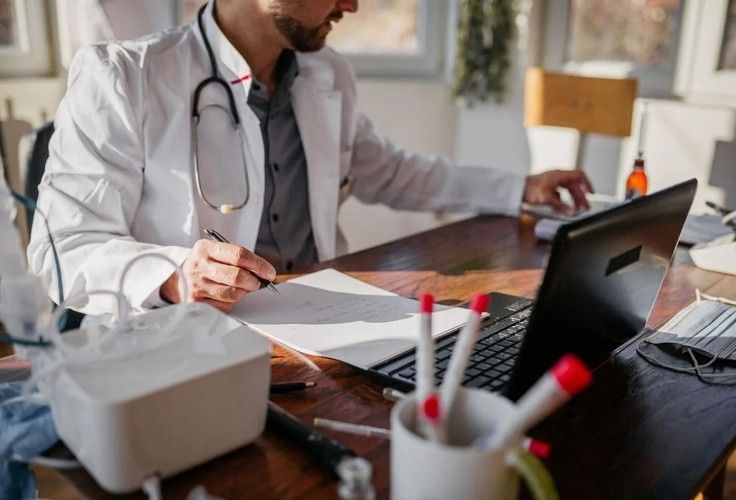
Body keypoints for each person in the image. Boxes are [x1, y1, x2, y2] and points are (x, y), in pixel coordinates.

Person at [28, 0, 593, 316]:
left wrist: (519, 186)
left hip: (320, 321)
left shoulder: (328, 75)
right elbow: (62, 251)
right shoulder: (125, 76)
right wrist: (174, 276)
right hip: (187, 343)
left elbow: (392, 172)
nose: (351, 3)